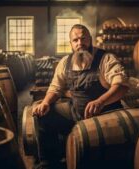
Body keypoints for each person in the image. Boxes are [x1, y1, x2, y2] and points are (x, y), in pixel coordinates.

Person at [31, 24, 129, 169]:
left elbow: (121, 86)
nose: (80, 43)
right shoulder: (65, 62)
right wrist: (45, 102)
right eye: (75, 40)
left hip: (105, 114)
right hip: (76, 112)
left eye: (83, 39)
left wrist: (101, 101)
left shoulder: (105, 58)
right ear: (70, 43)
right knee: (44, 115)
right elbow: (56, 87)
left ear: (90, 39)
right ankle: (49, 163)